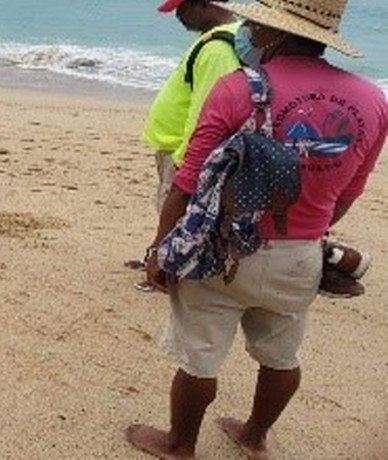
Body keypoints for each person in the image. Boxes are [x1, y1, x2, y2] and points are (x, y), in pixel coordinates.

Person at [126, 0, 387, 458]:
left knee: (199, 356)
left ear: (273, 31)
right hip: (302, 254)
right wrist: (306, 230)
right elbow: (348, 194)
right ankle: (254, 436)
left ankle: (180, 443)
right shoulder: (372, 100)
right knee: (282, 355)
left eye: (253, 21)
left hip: (222, 251)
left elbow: (187, 183)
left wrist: (160, 250)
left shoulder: (235, 89)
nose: (245, 28)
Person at [143, 0, 240, 213]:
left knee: (174, 223)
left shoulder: (218, 49)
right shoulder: (218, 39)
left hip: (183, 153)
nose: (178, 14)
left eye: (183, 7)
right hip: (178, 148)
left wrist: (185, 163)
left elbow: (207, 111)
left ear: (204, 4)